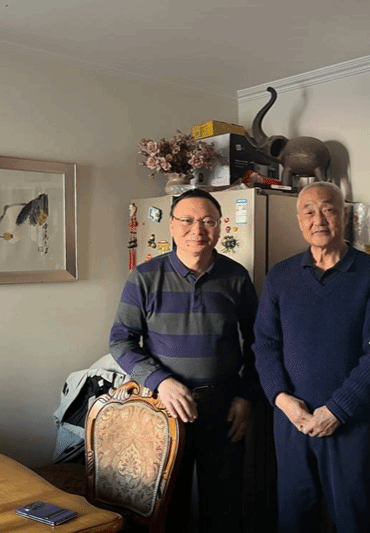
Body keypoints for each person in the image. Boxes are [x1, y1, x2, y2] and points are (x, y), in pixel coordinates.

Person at [109, 188, 257, 532]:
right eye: (187, 220)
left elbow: (258, 342)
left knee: (224, 509)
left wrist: (247, 396)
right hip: (163, 409)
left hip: (224, 408)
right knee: (166, 508)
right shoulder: (145, 277)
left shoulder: (236, 277)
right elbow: (121, 341)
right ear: (172, 226)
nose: (197, 230)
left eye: (208, 221)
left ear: (219, 226)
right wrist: (161, 382)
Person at [253, 181, 370, 532]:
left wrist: (337, 410)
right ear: (299, 220)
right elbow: (265, 344)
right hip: (292, 420)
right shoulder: (280, 275)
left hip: (353, 424)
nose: (318, 219)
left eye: (328, 209)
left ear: (344, 216)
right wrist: (283, 400)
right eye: (309, 211)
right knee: (293, 518)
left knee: (354, 520)